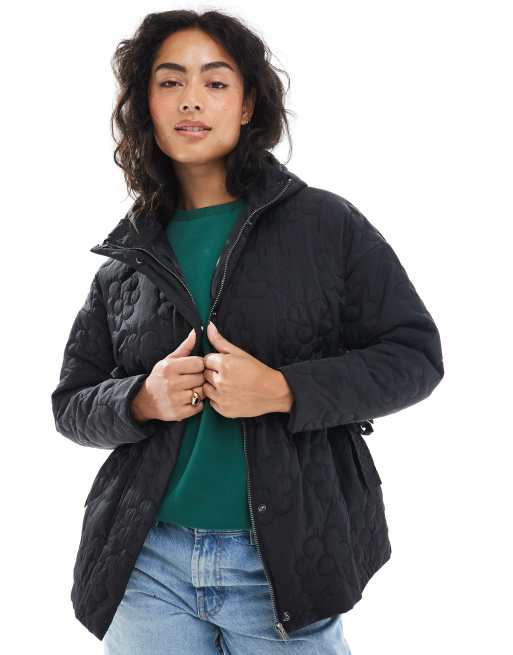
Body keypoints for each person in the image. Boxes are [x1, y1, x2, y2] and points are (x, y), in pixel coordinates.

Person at [50, 9, 444, 655]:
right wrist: (140, 399)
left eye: (215, 81)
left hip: (285, 563)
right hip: (145, 563)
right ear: (146, 105)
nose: (191, 100)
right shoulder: (128, 258)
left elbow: (413, 357)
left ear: (247, 104)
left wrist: (284, 389)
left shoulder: (325, 224)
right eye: (170, 82)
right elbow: (71, 404)